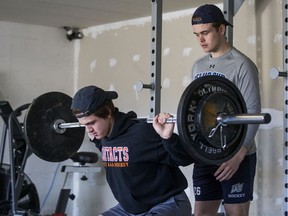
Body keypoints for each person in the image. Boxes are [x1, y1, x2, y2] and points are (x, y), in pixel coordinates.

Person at [70, 85, 194, 216]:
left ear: (107, 112)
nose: (88, 130)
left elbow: (185, 158)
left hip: (167, 204)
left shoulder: (142, 134)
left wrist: (168, 138)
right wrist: (96, 140)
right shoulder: (103, 137)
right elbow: (112, 149)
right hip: (129, 210)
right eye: (84, 125)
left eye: (91, 123)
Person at [190, 4, 261, 216]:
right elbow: (193, 109)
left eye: (205, 32)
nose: (201, 39)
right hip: (205, 153)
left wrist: (238, 155)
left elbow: (253, 110)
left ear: (221, 29)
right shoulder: (198, 66)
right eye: (196, 35)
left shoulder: (242, 65)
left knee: (236, 213)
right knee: (201, 213)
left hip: (235, 153)